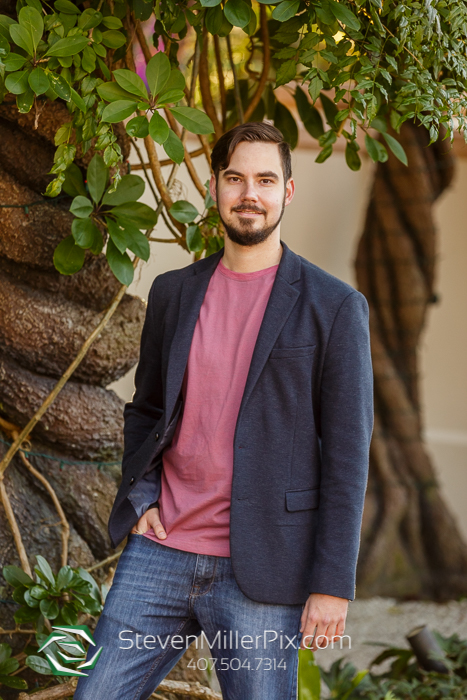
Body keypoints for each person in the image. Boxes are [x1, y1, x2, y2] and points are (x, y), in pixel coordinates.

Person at [74, 122, 374, 700]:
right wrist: (141, 498)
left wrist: (332, 584)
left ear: (288, 190)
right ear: (215, 187)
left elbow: (346, 456)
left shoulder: (334, 307)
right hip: (161, 550)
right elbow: (147, 410)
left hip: (263, 565)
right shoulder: (172, 292)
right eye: (235, 178)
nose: (249, 194)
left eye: (265, 179)